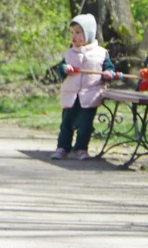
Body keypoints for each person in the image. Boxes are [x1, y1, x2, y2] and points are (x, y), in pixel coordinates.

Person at [50, 13, 117, 161]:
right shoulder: (69, 53)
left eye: (78, 32)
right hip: (71, 94)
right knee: (66, 123)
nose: (74, 36)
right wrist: (64, 69)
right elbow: (60, 71)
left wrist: (108, 73)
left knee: (85, 125)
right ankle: (62, 147)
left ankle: (81, 148)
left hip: (90, 94)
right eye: (72, 33)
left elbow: (109, 68)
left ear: (88, 34)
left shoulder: (100, 53)